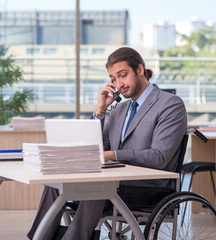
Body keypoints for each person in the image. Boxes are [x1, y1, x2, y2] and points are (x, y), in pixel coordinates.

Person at [27, 47, 187, 240]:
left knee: (97, 186)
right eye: (113, 79)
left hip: (148, 186)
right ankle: (38, 238)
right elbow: (94, 146)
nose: (119, 84)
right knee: (55, 182)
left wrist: (112, 155)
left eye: (122, 75)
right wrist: (100, 110)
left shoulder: (170, 104)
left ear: (140, 70)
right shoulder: (119, 109)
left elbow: (159, 157)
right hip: (116, 180)